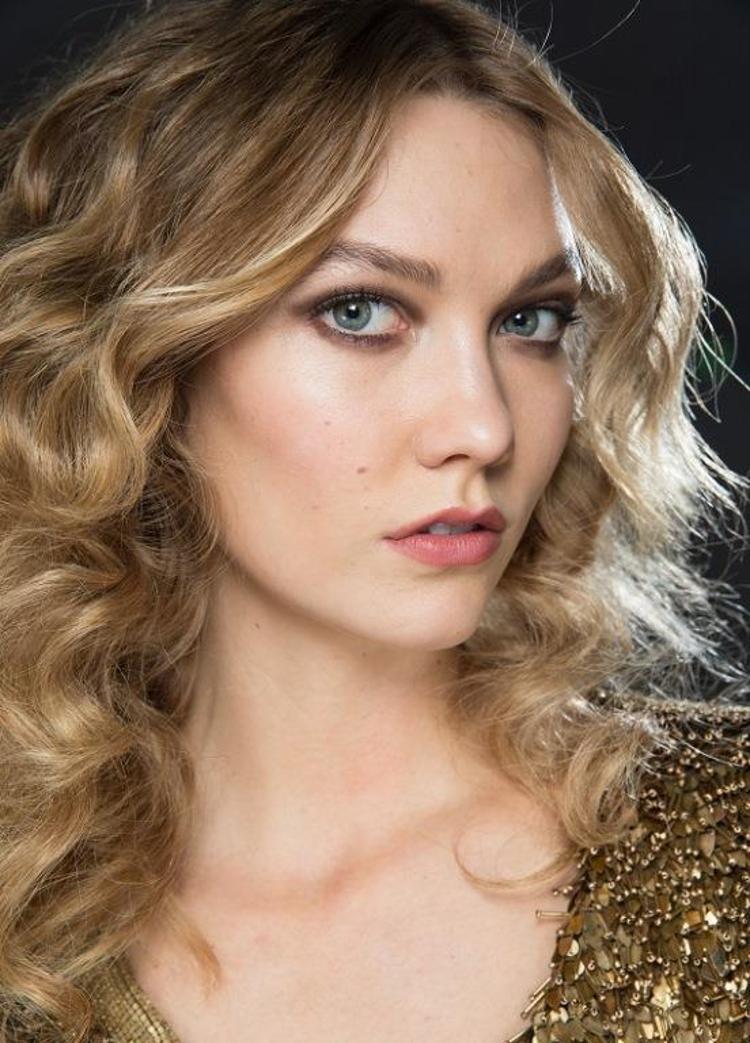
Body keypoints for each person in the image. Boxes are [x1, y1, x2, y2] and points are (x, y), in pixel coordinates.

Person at [0, 0, 748, 1041]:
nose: (484, 426)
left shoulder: (731, 840)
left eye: (530, 321)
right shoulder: (25, 922)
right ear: (147, 363)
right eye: (359, 312)